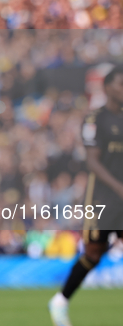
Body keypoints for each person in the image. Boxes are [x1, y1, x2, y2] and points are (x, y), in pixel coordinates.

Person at [49, 65, 123, 326]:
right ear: (107, 88)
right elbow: (93, 161)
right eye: (120, 84)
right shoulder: (95, 120)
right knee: (94, 253)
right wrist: (118, 187)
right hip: (102, 198)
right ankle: (60, 301)